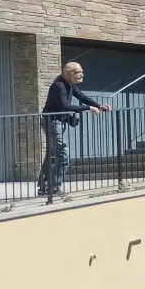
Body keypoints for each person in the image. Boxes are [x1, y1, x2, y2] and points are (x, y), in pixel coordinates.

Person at [37, 62, 110, 196]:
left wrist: (99, 106)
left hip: (57, 122)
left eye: (82, 71)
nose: (82, 74)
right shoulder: (59, 86)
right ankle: (53, 187)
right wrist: (88, 108)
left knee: (52, 155)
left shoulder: (69, 85)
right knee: (63, 155)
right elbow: (65, 106)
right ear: (69, 73)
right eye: (78, 72)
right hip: (52, 122)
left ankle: (44, 186)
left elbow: (82, 97)